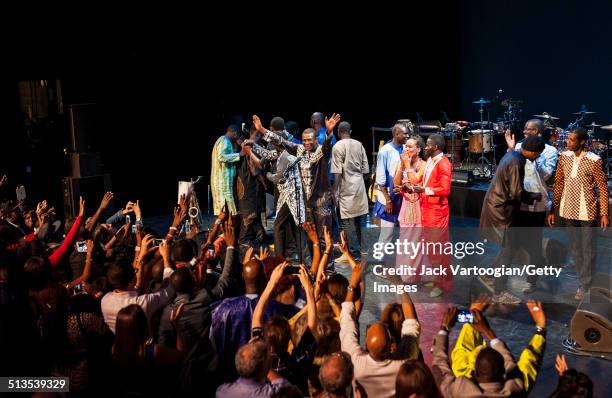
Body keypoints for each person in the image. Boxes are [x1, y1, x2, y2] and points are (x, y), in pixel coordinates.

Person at [253, 113, 341, 268]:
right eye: (304, 139)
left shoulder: (321, 152)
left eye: (310, 140)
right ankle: (313, 267)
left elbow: (327, 146)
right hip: (305, 202)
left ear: (315, 140)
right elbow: (281, 140)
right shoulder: (299, 149)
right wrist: (261, 129)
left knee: (323, 238)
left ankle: (328, 269)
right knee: (309, 236)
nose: (306, 142)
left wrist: (328, 133)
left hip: (321, 202)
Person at [480, 135, 545, 304]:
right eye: (537, 154)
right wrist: (534, 196)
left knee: (511, 248)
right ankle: (499, 292)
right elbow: (516, 192)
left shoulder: (512, 155)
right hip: (502, 211)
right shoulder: (518, 162)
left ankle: (489, 276)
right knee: (508, 251)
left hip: (498, 207)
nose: (537, 157)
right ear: (531, 152)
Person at [339, 263, 421, 398]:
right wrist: (398, 284)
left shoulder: (355, 361)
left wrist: (352, 284)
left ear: (365, 343)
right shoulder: (403, 362)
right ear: (391, 345)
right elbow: (412, 321)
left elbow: (347, 320)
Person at [548, 127, 609, 300]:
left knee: (588, 249)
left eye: (572, 140)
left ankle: (586, 285)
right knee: (575, 249)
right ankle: (584, 282)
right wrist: (553, 208)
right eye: (568, 139)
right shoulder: (564, 157)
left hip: (587, 210)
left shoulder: (594, 160)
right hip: (568, 209)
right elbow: (558, 184)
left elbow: (602, 188)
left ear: (582, 142)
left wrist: (604, 213)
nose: (568, 142)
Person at [505, 119, 559, 293]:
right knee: (512, 242)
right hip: (520, 202)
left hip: (537, 204)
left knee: (535, 244)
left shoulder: (550, 151)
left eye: (530, 129)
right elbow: (509, 167)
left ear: (538, 133)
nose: (525, 132)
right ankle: (500, 279)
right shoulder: (519, 146)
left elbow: (545, 174)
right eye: (525, 129)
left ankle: (532, 281)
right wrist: (512, 150)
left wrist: (535, 155)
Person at [432, 306, 525, 397]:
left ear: (473, 373)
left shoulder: (460, 391)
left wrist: (445, 327)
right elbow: (511, 365)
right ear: (504, 374)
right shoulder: (515, 389)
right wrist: (488, 332)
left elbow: (439, 365)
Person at [412, 134, 452, 297]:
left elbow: (445, 190)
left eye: (428, 145)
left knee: (438, 250)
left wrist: (424, 190)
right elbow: (425, 181)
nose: (425, 147)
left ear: (436, 147)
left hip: (437, 212)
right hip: (427, 209)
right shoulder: (430, 160)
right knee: (430, 248)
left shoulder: (444, 163)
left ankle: (442, 285)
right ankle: (437, 279)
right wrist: (414, 187)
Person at [331, 121, 370, 261]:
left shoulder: (337, 146)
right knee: (360, 221)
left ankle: (353, 255)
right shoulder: (359, 145)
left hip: (345, 187)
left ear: (338, 132)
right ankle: (360, 251)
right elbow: (366, 170)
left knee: (348, 222)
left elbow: (336, 172)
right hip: (359, 187)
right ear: (350, 131)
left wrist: (335, 192)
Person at [216, 340, 301, 398]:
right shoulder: (274, 393)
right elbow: (292, 391)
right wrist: (267, 367)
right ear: (264, 368)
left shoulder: (222, 392)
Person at [373, 124, 408, 253]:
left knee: (399, 233)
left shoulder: (405, 149)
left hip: (400, 195)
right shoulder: (385, 151)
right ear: (396, 134)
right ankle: (378, 263)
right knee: (387, 233)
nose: (407, 136)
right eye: (404, 134)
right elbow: (381, 178)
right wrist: (387, 199)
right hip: (388, 196)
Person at [211, 124, 242, 215]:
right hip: (222, 183)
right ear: (235, 134)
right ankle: (225, 228)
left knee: (226, 211)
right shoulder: (224, 140)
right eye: (237, 137)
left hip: (223, 182)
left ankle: (226, 227)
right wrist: (239, 155)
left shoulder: (224, 141)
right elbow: (221, 157)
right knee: (226, 212)